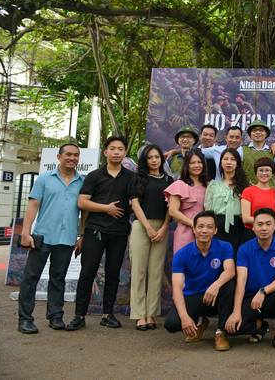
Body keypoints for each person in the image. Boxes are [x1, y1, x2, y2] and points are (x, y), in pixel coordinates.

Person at [67, 136, 134, 331]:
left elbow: (134, 204)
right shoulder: (94, 176)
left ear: (124, 153)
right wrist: (106, 208)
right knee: (87, 273)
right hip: (95, 230)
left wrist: (121, 213)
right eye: (112, 149)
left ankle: (107, 314)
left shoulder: (130, 177)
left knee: (113, 273)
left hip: (119, 232)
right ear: (105, 152)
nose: (116, 152)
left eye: (120, 149)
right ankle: (79, 315)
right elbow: (82, 203)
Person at [17, 144, 84, 334]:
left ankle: (55, 316)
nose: (72, 158)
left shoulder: (82, 182)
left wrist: (82, 236)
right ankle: (25, 319)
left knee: (58, 278)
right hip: (42, 236)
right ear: (59, 156)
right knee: (31, 278)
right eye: (68, 154)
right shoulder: (45, 179)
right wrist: (25, 232)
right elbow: (33, 204)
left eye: (76, 155)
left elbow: (84, 212)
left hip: (66, 238)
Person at [164, 211, 235, 351]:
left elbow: (230, 271)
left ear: (215, 230)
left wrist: (216, 285)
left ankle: (221, 332)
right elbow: (177, 288)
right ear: (194, 229)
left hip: (216, 297)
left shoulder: (225, 246)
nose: (204, 231)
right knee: (172, 324)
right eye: (201, 226)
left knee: (229, 285)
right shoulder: (182, 254)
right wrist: (184, 317)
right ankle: (200, 321)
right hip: (195, 297)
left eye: (209, 227)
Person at [225, 208, 275, 351]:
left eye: (268, 224)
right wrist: (236, 311)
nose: (264, 228)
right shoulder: (244, 249)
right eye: (260, 224)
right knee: (232, 330)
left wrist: (263, 291)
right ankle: (259, 326)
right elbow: (241, 280)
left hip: (272, 297)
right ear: (253, 227)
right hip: (252, 300)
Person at [129, 145, 173, 331]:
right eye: (150, 157)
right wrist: (147, 227)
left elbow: (172, 206)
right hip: (141, 226)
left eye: (157, 157)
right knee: (139, 270)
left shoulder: (169, 180)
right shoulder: (138, 178)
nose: (154, 160)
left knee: (156, 272)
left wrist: (164, 227)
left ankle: (150, 314)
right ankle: (139, 315)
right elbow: (135, 204)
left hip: (162, 227)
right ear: (144, 160)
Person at [204, 148, 249, 255]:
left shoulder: (246, 186)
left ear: (237, 163)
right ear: (221, 163)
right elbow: (208, 210)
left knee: (236, 260)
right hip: (217, 228)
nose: (229, 162)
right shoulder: (213, 185)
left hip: (239, 229)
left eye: (233, 159)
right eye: (225, 159)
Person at [165, 149, 209, 254]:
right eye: (192, 163)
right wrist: (194, 224)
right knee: (183, 267)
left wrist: (203, 227)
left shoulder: (208, 186)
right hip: (185, 232)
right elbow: (173, 211)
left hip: (205, 234)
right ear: (187, 165)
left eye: (199, 162)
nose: (196, 165)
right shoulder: (179, 184)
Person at [240, 156, 275, 242]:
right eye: (261, 170)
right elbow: (246, 219)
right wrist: (271, 221)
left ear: (272, 174)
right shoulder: (248, 191)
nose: (264, 173)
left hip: (271, 234)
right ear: (256, 173)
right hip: (251, 234)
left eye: (267, 170)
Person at [242, 120, 275, 190]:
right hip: (248, 195)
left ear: (266, 133)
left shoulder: (273, 151)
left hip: (269, 194)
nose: (258, 132)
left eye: (261, 130)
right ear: (250, 133)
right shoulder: (242, 150)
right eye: (254, 130)